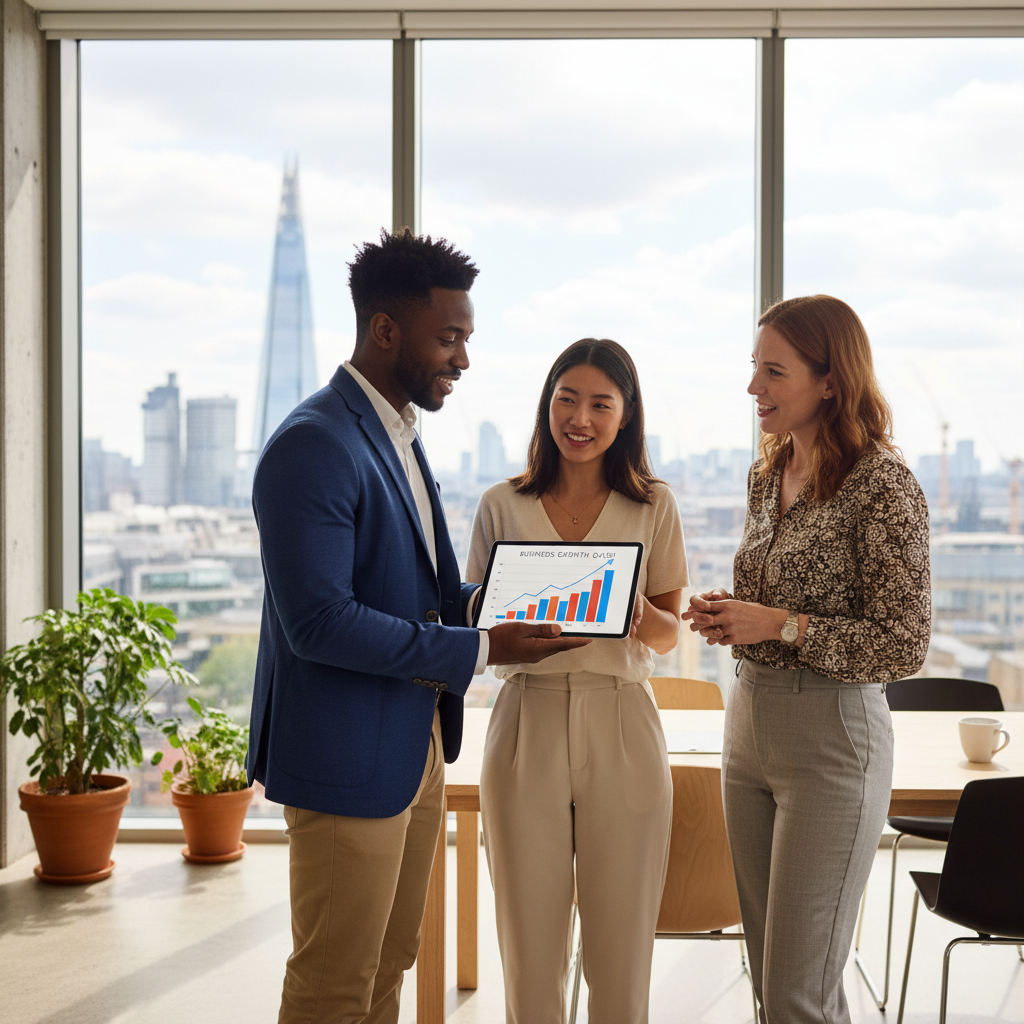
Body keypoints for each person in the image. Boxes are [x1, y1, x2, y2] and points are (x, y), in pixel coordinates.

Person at [248, 229, 588, 1024]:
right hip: (344, 757)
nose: (463, 359)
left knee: (388, 964)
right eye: (450, 338)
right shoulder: (315, 445)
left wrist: (503, 603)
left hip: (409, 746)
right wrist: (480, 648)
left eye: (466, 339)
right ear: (386, 330)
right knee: (336, 979)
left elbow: (416, 591)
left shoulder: (396, 434)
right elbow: (319, 622)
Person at [683, 295, 931, 1024]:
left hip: (831, 743)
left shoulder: (883, 485)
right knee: (775, 984)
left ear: (830, 380)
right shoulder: (769, 472)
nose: (753, 387)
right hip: (748, 728)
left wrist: (783, 624)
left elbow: (904, 641)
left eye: (773, 371)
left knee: (799, 993)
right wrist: (733, 617)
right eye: (753, 368)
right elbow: (780, 603)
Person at [468, 338, 688, 1024]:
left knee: (620, 959)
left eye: (601, 403)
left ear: (626, 417)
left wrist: (634, 610)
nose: (581, 418)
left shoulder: (654, 504)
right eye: (567, 399)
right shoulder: (501, 502)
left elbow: (668, 634)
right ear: (547, 406)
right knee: (529, 953)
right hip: (525, 718)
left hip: (623, 719)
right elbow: (473, 616)